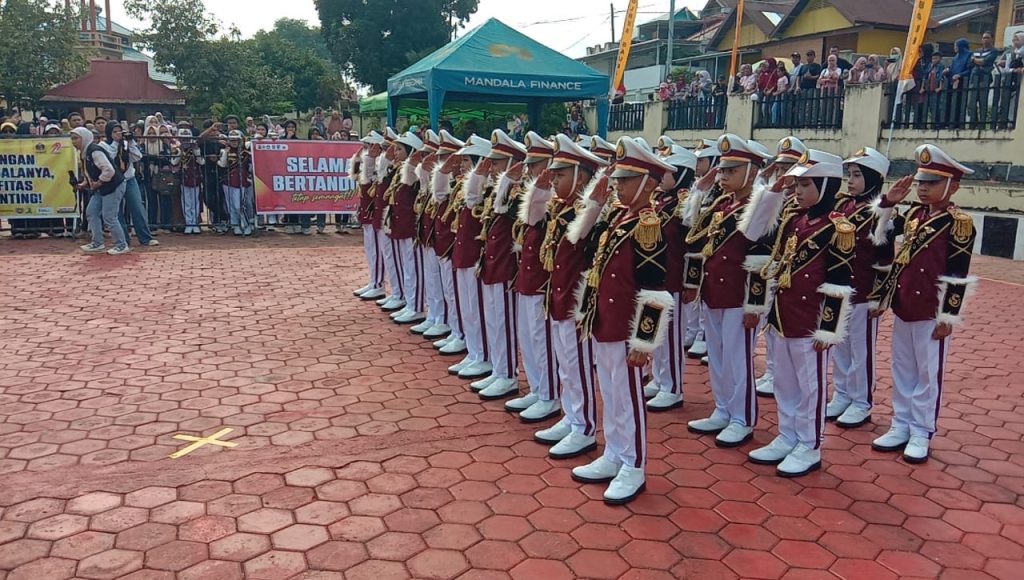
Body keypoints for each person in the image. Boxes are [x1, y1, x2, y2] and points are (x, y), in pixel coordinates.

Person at [569, 137, 675, 505]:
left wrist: (644, 342)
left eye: (625, 180)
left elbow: (655, 289)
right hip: (605, 321)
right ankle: (614, 452)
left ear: (646, 183)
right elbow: (585, 250)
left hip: (628, 326)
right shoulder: (618, 218)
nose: (617, 185)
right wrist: (595, 204)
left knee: (628, 397)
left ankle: (634, 464)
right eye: (617, 179)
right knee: (611, 392)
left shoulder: (649, 224)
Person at [741, 149, 856, 477]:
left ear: (826, 185)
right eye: (798, 184)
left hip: (811, 319)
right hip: (783, 313)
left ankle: (809, 444)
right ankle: (787, 433)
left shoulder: (839, 228)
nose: (798, 191)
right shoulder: (793, 219)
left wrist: (828, 329)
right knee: (785, 381)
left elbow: (839, 282)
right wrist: (773, 193)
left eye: (806, 185)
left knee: (810, 386)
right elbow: (756, 237)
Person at [868, 144, 977, 464]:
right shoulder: (915, 215)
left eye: (932, 183)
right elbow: (879, 236)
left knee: (927, 374)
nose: (924, 188)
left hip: (931, 309)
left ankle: (921, 430)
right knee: (902, 368)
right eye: (921, 182)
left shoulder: (959, 222)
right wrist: (888, 203)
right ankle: (901, 423)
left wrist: (948, 315)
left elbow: (958, 271)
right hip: (905, 304)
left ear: (952, 186)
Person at [684, 134, 772, 447]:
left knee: (737, 360)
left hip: (739, 295)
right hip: (714, 292)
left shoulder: (760, 206)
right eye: (722, 170)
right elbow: (693, 231)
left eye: (731, 171)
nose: (723, 176)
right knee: (718, 356)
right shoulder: (722, 204)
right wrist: (700, 191)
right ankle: (723, 408)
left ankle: (742, 418)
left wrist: (755, 306)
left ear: (752, 171)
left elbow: (762, 258)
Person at [528, 135, 607, 458]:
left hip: (578, 299)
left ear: (582, 177)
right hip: (558, 294)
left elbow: (578, 240)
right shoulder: (559, 207)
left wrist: (593, 205)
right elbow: (531, 219)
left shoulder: (593, 212)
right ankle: (572, 415)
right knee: (565, 364)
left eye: (560, 175)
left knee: (576, 364)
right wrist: (539, 190)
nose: (554, 179)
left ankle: (584, 426)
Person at [823, 147, 893, 428]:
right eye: (849, 175)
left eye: (857, 175)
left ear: (873, 178)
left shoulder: (881, 213)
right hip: (840, 289)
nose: (850, 181)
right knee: (840, 345)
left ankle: (861, 401)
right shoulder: (843, 206)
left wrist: (879, 296)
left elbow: (885, 258)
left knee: (861, 351)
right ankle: (842, 394)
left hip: (863, 291)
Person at [464, 130, 528, 400]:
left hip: (506, 265)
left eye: (497, 162)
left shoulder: (520, 193)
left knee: (503, 322)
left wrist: (507, 182)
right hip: (491, 263)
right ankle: (499, 369)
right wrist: (478, 177)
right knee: (493, 320)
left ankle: (507, 374)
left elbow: (504, 209)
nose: (491, 167)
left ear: (513, 165)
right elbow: (471, 202)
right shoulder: (495, 189)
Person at [505, 132, 561, 422]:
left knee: (541, 340)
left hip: (542, 281)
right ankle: (537, 387)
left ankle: (549, 394)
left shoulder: (551, 199)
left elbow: (532, 217)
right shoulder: (533, 194)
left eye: (535, 165)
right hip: (526, 277)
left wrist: (539, 190)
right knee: (527, 337)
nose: (529, 171)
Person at [644, 144, 698, 412]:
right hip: (656, 278)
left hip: (674, 277)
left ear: (682, 173)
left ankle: (672, 386)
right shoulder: (660, 202)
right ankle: (659, 377)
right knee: (657, 334)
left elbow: (694, 244)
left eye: (666, 172)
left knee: (672, 336)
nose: (660, 176)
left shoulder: (685, 204)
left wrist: (691, 283)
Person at [444, 135, 494, 380]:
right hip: (463, 253)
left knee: (478, 309)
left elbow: (474, 202)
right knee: (467, 307)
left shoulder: (486, 189)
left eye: (467, 161)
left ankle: (483, 356)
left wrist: (477, 177)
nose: (462, 165)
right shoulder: (465, 185)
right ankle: (474, 352)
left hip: (475, 256)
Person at [428, 130, 469, 354]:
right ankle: (455, 330)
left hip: (457, 247)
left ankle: (461, 333)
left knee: (457, 295)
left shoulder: (469, 186)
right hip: (445, 243)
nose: (459, 165)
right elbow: (438, 194)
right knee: (448, 290)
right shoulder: (455, 183)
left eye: (465, 160)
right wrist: (442, 172)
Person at [383, 131, 427, 326]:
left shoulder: (414, 171)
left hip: (410, 226)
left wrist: (411, 164)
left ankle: (416, 307)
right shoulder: (399, 169)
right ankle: (409, 302)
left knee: (413, 268)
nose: (395, 152)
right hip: (400, 224)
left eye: (400, 149)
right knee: (406, 267)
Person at [72, 127, 129, 255]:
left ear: (84, 138)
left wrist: (99, 182)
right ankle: (97, 242)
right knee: (91, 212)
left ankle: (121, 244)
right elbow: (91, 172)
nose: (73, 141)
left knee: (109, 216)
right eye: (72, 139)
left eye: (76, 138)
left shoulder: (94, 151)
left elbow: (109, 170)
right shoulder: (85, 153)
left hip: (113, 185)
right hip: (103, 186)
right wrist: (85, 183)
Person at [104, 122, 159, 248]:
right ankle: (123, 239)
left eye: (119, 131)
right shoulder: (104, 145)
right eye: (114, 132)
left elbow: (137, 157)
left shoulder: (126, 143)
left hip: (129, 179)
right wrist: (116, 142)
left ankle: (145, 238)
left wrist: (131, 142)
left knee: (137, 207)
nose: (118, 134)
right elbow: (110, 157)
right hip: (114, 181)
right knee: (117, 211)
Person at [353, 131, 387, 301]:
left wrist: (370, 161)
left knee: (377, 251)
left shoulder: (381, 165)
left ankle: (378, 284)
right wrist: (360, 160)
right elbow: (356, 177)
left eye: (369, 146)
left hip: (375, 212)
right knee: (370, 250)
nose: (365, 150)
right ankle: (373, 281)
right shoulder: (368, 162)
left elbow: (372, 184)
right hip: (367, 211)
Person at [218, 130, 254, 236]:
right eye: (232, 140)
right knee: (231, 205)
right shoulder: (224, 151)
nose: (234, 142)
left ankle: (246, 225)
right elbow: (222, 165)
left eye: (236, 140)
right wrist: (225, 153)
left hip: (241, 181)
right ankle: (235, 225)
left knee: (239, 205)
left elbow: (251, 168)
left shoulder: (246, 153)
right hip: (227, 180)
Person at [173, 128, 205, 234]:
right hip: (184, 178)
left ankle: (194, 222)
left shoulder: (195, 149)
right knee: (186, 202)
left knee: (195, 201)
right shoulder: (178, 149)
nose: (185, 141)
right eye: (183, 139)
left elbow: (202, 162)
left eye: (187, 138)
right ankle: (188, 223)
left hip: (195, 177)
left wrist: (196, 151)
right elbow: (174, 162)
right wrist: (179, 151)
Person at [968, 31, 999, 127]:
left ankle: (982, 125)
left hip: (985, 78)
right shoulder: (977, 50)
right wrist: (976, 61)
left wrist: (975, 60)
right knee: (971, 103)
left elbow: (985, 61)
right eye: (983, 38)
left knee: (983, 102)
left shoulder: (994, 51)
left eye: (987, 37)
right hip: (974, 78)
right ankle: (974, 123)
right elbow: (970, 63)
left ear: (992, 39)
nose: (985, 39)